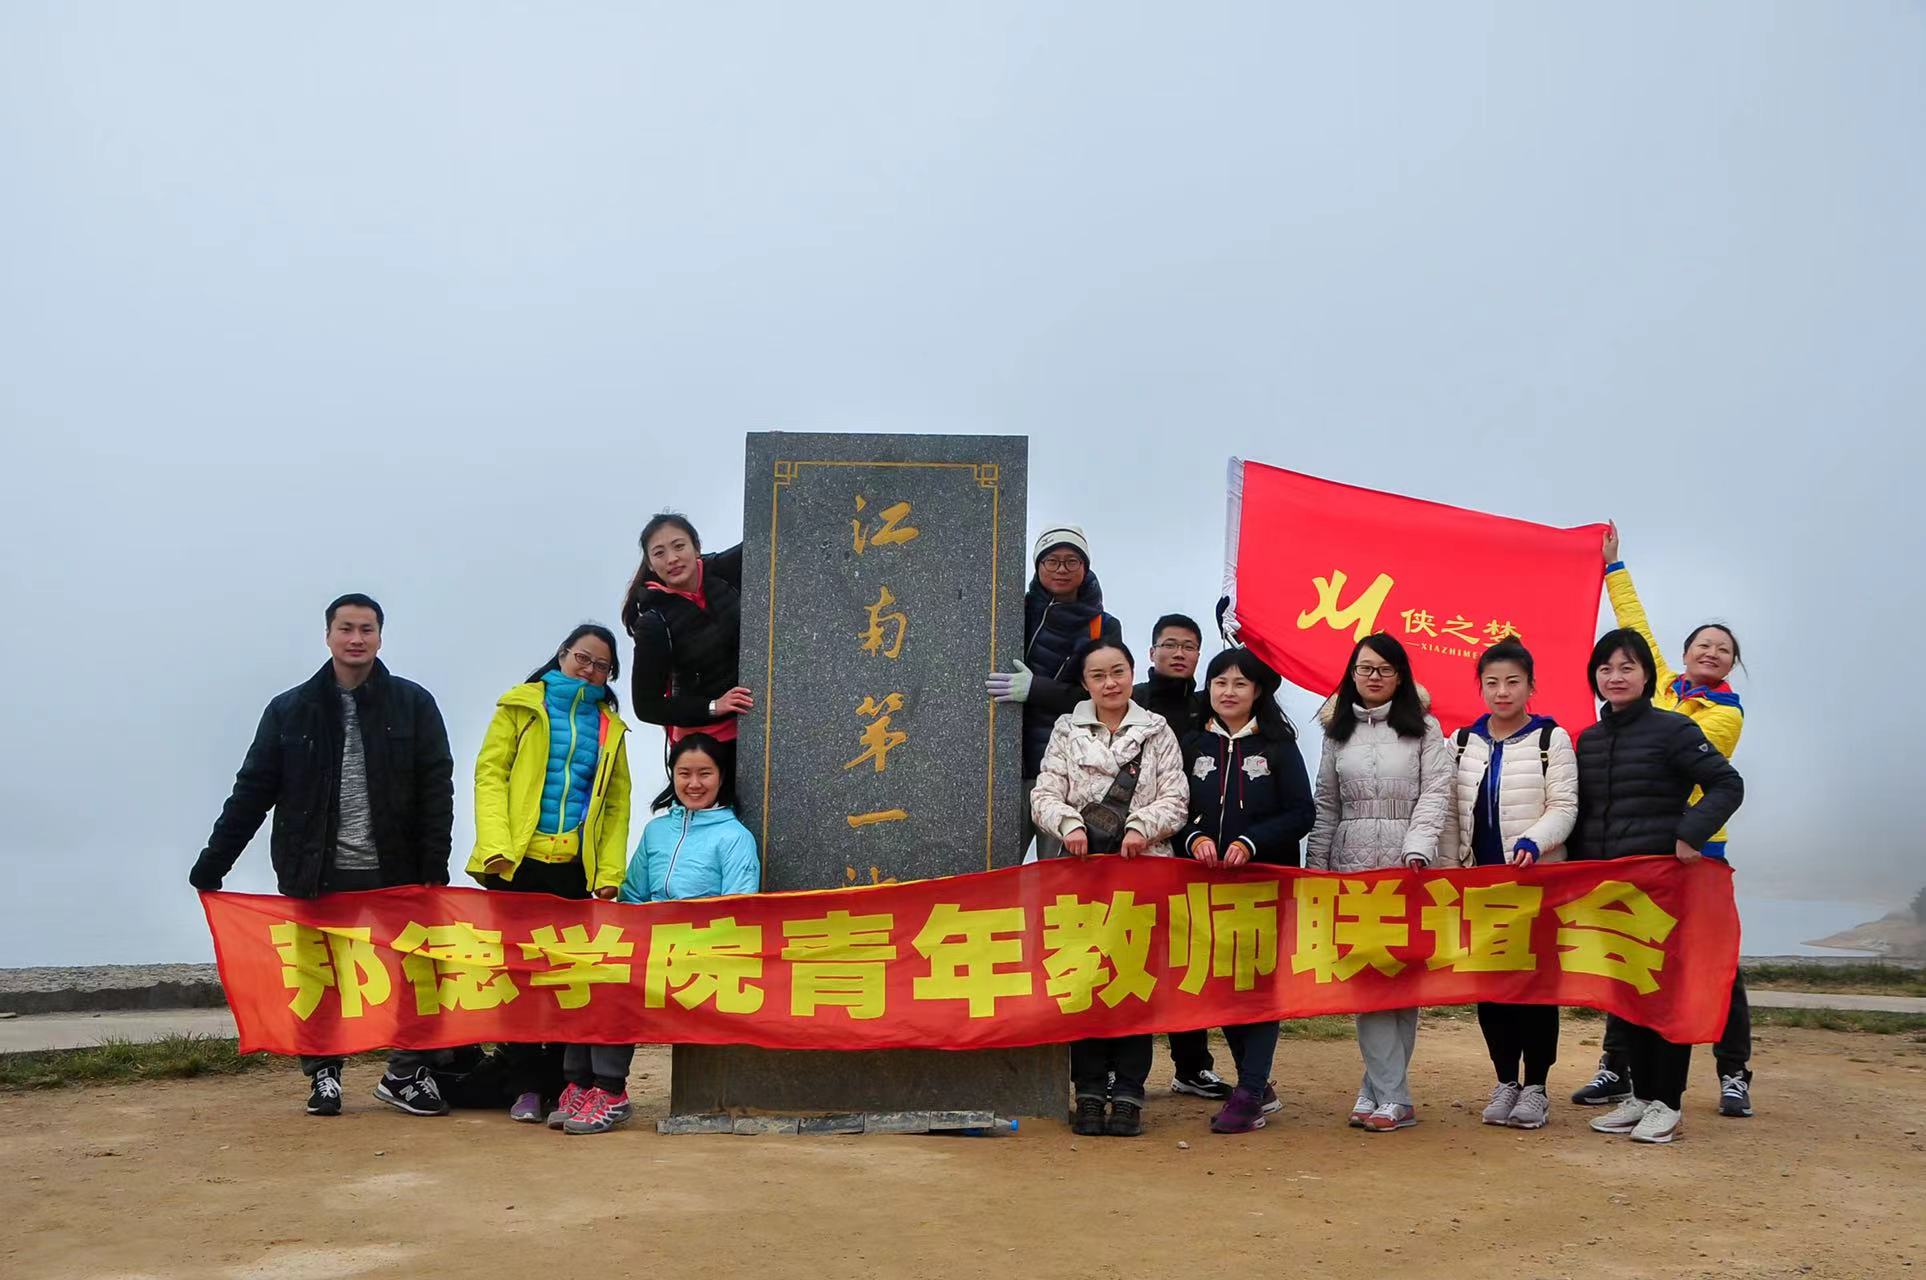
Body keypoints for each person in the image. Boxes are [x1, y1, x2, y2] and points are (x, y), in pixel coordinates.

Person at [189, 593, 455, 1118]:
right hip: (314, 871)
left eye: (367, 629)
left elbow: (436, 788)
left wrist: (434, 866)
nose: (356, 639)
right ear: (328, 635)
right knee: (319, 978)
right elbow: (253, 790)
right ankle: (324, 1074)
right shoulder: (290, 709)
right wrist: (214, 862)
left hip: (397, 870)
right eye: (346, 628)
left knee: (419, 974)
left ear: (381, 637)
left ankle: (404, 1074)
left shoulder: (414, 703)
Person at [1574, 524, 1757, 1118]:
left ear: (1731, 664)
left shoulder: (1719, 715)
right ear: (1682, 655)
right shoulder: (1649, 695)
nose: (1710, 652)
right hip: (1631, 845)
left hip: (1692, 848)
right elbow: (1637, 630)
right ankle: (1618, 1068)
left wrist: (1687, 833)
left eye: (1722, 650)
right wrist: (1613, 568)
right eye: (1702, 644)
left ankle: (1732, 1072)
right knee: (1629, 956)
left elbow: (1689, 770)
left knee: (1709, 962)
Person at [466, 624, 632, 1127]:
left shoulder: (610, 727)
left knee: (569, 981)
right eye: (583, 658)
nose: (590, 670)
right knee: (519, 979)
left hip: (574, 872)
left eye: (602, 666)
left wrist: (609, 873)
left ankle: (562, 1084)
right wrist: (496, 849)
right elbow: (490, 776)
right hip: (516, 865)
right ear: (562, 654)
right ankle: (523, 1086)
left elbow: (617, 805)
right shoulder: (520, 706)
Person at [1030, 637, 1189, 1138]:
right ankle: (1089, 1091)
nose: (1110, 683)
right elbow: (1045, 793)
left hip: (1142, 872)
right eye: (1098, 675)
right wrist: (1069, 825)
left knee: (1133, 981)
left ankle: (1129, 1095)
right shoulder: (1066, 729)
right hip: (1081, 876)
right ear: (1085, 683)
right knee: (1085, 980)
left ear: (1131, 673)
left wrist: (1141, 827)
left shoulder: (1156, 730)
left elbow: (1176, 798)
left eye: (1117, 671)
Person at [569, 734, 761, 1136]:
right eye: (684, 773)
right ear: (672, 775)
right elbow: (634, 894)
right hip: (653, 948)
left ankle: (610, 1092)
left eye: (705, 773)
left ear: (721, 777)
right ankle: (581, 1084)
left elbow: (738, 912)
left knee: (616, 982)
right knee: (588, 969)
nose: (694, 783)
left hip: (701, 956)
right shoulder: (656, 832)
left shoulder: (735, 837)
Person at [1307, 632, 1453, 1133]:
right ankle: (1388, 1092)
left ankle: (1386, 1093)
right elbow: (1326, 804)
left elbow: (1436, 792)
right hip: (1352, 869)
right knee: (1368, 982)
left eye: (1385, 669)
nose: (1374, 677)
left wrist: (1419, 846)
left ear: (1400, 676)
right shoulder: (1336, 731)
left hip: (1408, 867)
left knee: (1401, 981)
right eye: (1365, 668)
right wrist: (1318, 867)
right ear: (1351, 674)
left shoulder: (1425, 728)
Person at [1436, 639, 1578, 1131]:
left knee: (1535, 989)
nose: (1502, 691)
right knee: (1491, 988)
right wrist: (1451, 874)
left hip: (1536, 884)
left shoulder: (1551, 739)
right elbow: (1450, 816)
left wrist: (1536, 841)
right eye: (1492, 682)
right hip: (1481, 886)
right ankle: (1504, 1081)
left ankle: (1536, 1086)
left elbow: (1564, 806)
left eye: (1513, 682)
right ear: (1480, 687)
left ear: (1530, 686)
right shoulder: (1461, 742)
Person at [1178, 648, 1314, 1134]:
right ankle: (1255, 1085)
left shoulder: (1279, 746)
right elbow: (1172, 807)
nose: (1228, 691)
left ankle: (1250, 1094)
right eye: (1220, 682)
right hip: (1205, 889)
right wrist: (1192, 838)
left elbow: (1302, 813)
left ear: (1257, 691)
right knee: (1222, 987)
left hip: (1263, 885)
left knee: (1256, 987)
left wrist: (1251, 841)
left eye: (1239, 683)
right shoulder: (1192, 743)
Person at [1129, 612, 1227, 1100]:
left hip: (1193, 842)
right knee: (1134, 955)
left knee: (1188, 957)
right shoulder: (1132, 701)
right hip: (1138, 843)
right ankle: (1124, 1073)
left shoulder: (1208, 706)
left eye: (1189, 646)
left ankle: (1192, 1067)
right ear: (1151, 652)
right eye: (1169, 644)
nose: (1179, 653)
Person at [987, 525, 1123, 862]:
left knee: (1061, 873)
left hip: (1069, 770)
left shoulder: (1103, 626)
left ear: (1085, 567)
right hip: (1004, 765)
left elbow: (1105, 696)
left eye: (1072, 561)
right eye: (1052, 561)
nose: (1061, 569)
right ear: (1038, 566)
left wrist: (1037, 689)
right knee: (991, 871)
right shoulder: (1013, 611)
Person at [621, 513, 752, 808]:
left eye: (679, 546)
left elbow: (768, 537)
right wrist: (714, 706)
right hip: (705, 747)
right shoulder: (653, 622)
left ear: (696, 547)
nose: (672, 558)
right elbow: (646, 706)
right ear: (650, 564)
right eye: (659, 553)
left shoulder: (722, 571)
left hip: (755, 723)